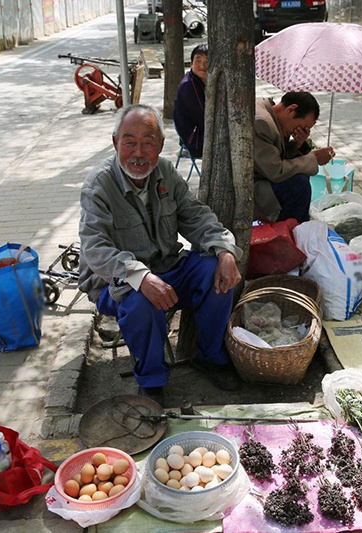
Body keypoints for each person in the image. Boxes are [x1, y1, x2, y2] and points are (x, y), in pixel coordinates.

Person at [78, 104, 242, 406]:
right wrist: (140, 277)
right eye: (130, 142)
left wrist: (225, 250)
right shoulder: (98, 185)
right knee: (140, 298)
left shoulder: (165, 172)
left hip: (168, 268)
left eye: (148, 142)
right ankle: (151, 380)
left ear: (160, 146)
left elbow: (196, 216)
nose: (138, 152)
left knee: (214, 272)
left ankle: (210, 356)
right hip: (113, 282)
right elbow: (95, 248)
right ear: (116, 143)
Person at [253, 92, 336, 223]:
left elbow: (274, 156)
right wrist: (314, 158)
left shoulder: (275, 117)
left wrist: (297, 144)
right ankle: (291, 233)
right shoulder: (262, 123)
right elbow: (276, 171)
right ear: (291, 109)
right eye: (302, 126)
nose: (298, 131)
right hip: (251, 188)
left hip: (262, 177)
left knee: (301, 176)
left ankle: (294, 230)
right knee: (298, 185)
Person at [174, 44, 208, 158]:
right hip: (195, 141)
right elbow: (204, 117)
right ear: (191, 63)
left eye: (206, 61)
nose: (202, 66)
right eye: (198, 61)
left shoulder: (203, 82)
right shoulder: (189, 85)